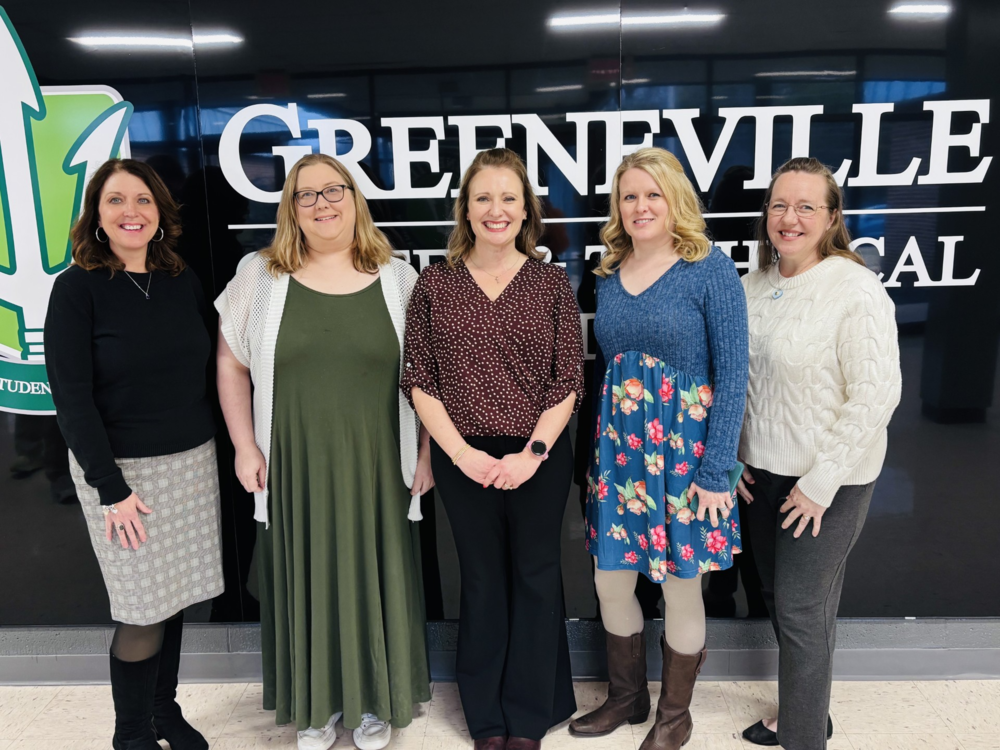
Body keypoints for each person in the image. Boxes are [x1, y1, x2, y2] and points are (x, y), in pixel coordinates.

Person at [215, 153, 433, 750]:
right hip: (293, 464)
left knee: (373, 578)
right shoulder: (259, 275)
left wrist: (427, 455)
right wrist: (243, 445)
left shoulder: (399, 277)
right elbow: (231, 363)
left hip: (377, 463)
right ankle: (315, 706)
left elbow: (428, 378)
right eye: (305, 196)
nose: (321, 205)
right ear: (290, 208)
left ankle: (373, 703)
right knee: (304, 577)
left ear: (354, 198)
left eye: (332, 191)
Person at [402, 148, 584, 750]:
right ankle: (486, 717)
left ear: (526, 208)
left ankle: (528, 715)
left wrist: (531, 454)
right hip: (462, 455)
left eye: (509, 197)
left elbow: (568, 381)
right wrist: (458, 453)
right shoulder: (436, 282)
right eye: (483, 197)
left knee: (535, 575)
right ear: (466, 208)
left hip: (539, 451)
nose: (496, 209)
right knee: (480, 580)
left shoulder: (550, 282)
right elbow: (418, 378)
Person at [569, 147, 748, 750]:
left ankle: (675, 716)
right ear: (617, 208)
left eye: (652, 193)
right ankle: (626, 697)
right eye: (629, 196)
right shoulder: (606, 273)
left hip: (685, 456)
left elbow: (734, 374)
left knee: (680, 585)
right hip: (619, 453)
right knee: (611, 581)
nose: (640, 206)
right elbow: (600, 374)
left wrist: (716, 469)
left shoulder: (709, 270)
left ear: (676, 199)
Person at [44, 158, 223, 750]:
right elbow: (70, 397)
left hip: (189, 463)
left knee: (173, 600)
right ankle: (132, 734)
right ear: (97, 214)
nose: (131, 212)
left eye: (143, 200)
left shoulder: (181, 279)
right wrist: (110, 486)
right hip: (121, 475)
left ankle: (164, 712)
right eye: (116, 201)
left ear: (160, 212)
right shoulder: (76, 290)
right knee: (142, 607)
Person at [737, 157, 901, 749]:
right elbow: (735, 384)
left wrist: (821, 481)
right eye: (780, 204)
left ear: (832, 217)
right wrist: (733, 457)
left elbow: (878, 393)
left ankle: (803, 737)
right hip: (762, 474)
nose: (790, 217)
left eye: (807, 206)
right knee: (784, 601)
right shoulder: (750, 286)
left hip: (829, 479)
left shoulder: (854, 289)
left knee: (803, 610)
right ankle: (808, 711)